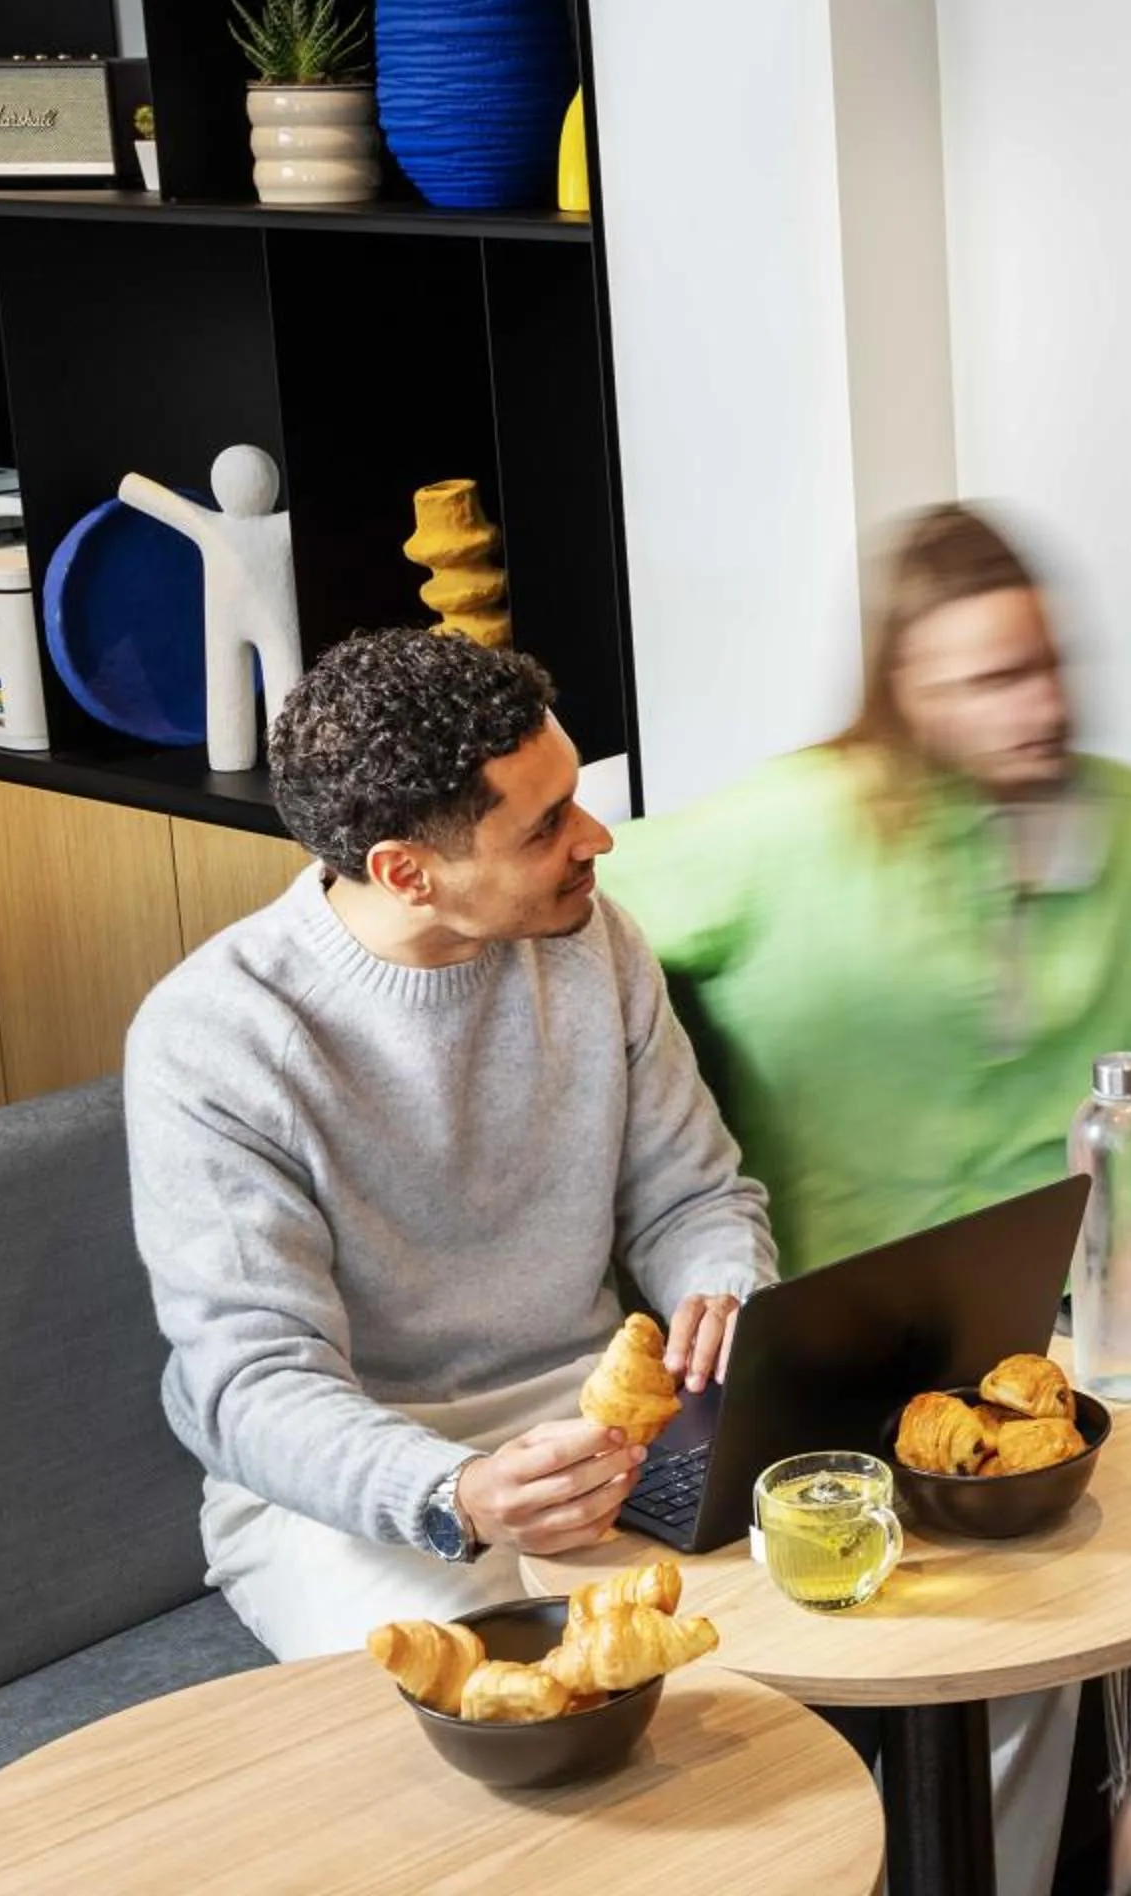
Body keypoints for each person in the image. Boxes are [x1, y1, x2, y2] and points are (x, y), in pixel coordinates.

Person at [605, 506, 1131, 1896]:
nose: (1035, 707)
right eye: (986, 681)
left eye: (1042, 667)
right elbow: (572, 905)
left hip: (1088, 1306)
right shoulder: (793, 828)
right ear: (903, 693)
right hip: (855, 1336)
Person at [125, 630, 775, 1658]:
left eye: (577, 793)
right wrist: (459, 1491)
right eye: (547, 823)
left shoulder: (592, 938)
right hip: (355, 1479)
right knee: (508, 1707)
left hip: (600, 1422)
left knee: (887, 1559)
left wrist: (725, 1289)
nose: (598, 838)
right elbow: (250, 1384)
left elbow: (693, 1198)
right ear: (406, 871)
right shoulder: (218, 1036)